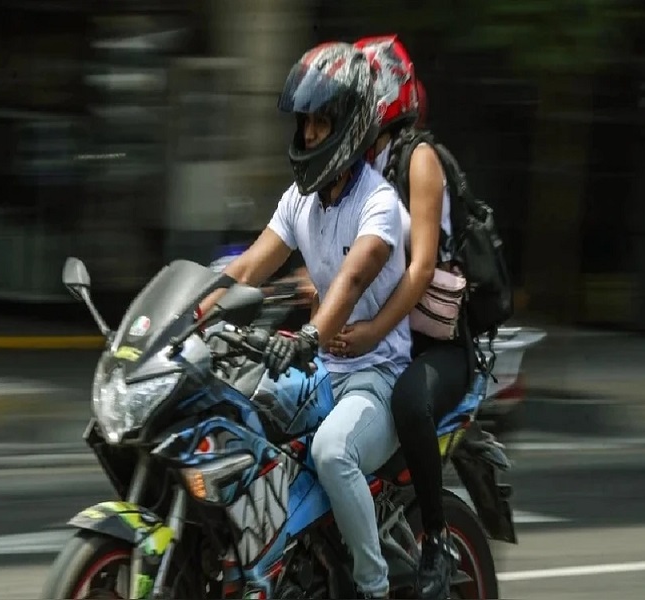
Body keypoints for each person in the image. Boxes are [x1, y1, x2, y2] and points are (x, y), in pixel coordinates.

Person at [200, 41, 411, 599]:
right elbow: (250, 264)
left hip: (377, 379)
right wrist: (192, 311)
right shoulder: (301, 199)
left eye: (324, 122)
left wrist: (311, 335)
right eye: (307, 122)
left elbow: (354, 277)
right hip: (320, 371)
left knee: (331, 452)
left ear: (351, 125)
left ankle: (373, 585)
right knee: (232, 415)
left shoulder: (380, 203)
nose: (312, 134)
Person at [325, 34, 474, 599]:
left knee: (410, 401)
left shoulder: (420, 160)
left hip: (436, 342)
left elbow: (420, 268)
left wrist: (367, 335)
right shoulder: (357, 166)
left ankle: (435, 538)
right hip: (390, 336)